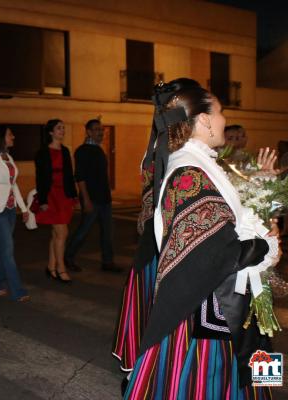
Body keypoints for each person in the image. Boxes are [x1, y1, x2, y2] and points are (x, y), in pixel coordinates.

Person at [124, 86, 278, 399]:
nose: (224, 121)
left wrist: (266, 192)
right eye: (221, 113)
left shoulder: (202, 165)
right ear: (205, 120)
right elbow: (218, 252)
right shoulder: (188, 173)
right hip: (210, 310)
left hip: (222, 297)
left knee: (258, 362)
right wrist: (266, 247)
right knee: (208, 384)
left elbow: (230, 216)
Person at [112, 78, 201, 377]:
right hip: (161, 248)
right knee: (156, 311)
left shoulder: (167, 148)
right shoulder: (172, 154)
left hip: (159, 246)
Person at [0, 124, 30, 302]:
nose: (13, 137)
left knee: (4, 249)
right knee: (8, 250)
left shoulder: (8, 157)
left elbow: (13, 184)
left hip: (10, 210)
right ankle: (17, 289)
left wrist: (23, 208)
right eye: (10, 134)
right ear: (1, 137)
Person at [64, 119, 118, 273]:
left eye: (101, 129)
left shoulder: (99, 150)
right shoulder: (82, 151)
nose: (100, 132)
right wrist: (86, 200)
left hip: (104, 199)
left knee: (108, 233)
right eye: (96, 129)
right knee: (83, 231)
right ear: (88, 132)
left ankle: (108, 262)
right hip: (92, 199)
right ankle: (68, 257)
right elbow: (80, 177)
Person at [34, 119, 77, 283]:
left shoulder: (65, 151)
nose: (62, 130)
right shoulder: (42, 152)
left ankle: (51, 266)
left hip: (64, 194)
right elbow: (40, 178)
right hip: (51, 194)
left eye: (63, 128)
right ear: (51, 132)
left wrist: (73, 195)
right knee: (62, 232)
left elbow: (69, 174)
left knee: (57, 233)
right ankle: (61, 268)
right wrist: (43, 199)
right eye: (59, 128)